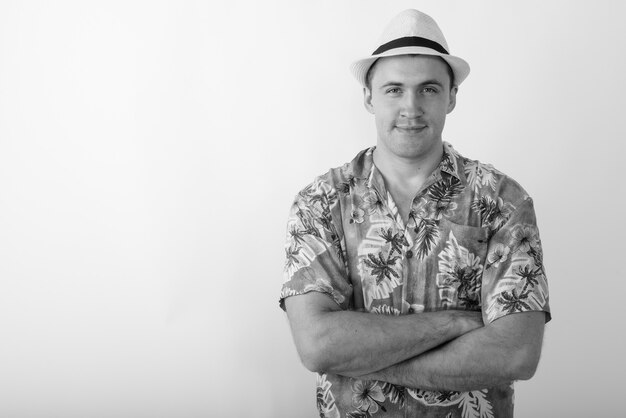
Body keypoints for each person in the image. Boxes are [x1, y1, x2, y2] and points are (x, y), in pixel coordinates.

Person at [279, 9, 551, 418]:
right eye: (393, 89)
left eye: (428, 89)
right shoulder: (321, 203)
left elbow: (516, 353)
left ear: (452, 96)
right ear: (369, 97)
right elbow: (318, 345)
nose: (411, 107)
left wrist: (364, 359)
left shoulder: (503, 201)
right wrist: (455, 324)